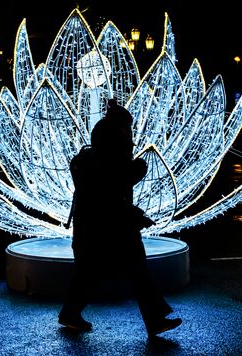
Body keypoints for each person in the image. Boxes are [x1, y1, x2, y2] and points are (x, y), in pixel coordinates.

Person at [58, 99, 182, 337]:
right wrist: (139, 169)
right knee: (110, 272)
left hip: (99, 224)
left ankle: (154, 318)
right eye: (128, 127)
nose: (130, 133)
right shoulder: (112, 151)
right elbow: (112, 187)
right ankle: (71, 313)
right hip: (109, 224)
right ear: (119, 127)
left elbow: (110, 188)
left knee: (109, 271)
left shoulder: (95, 153)